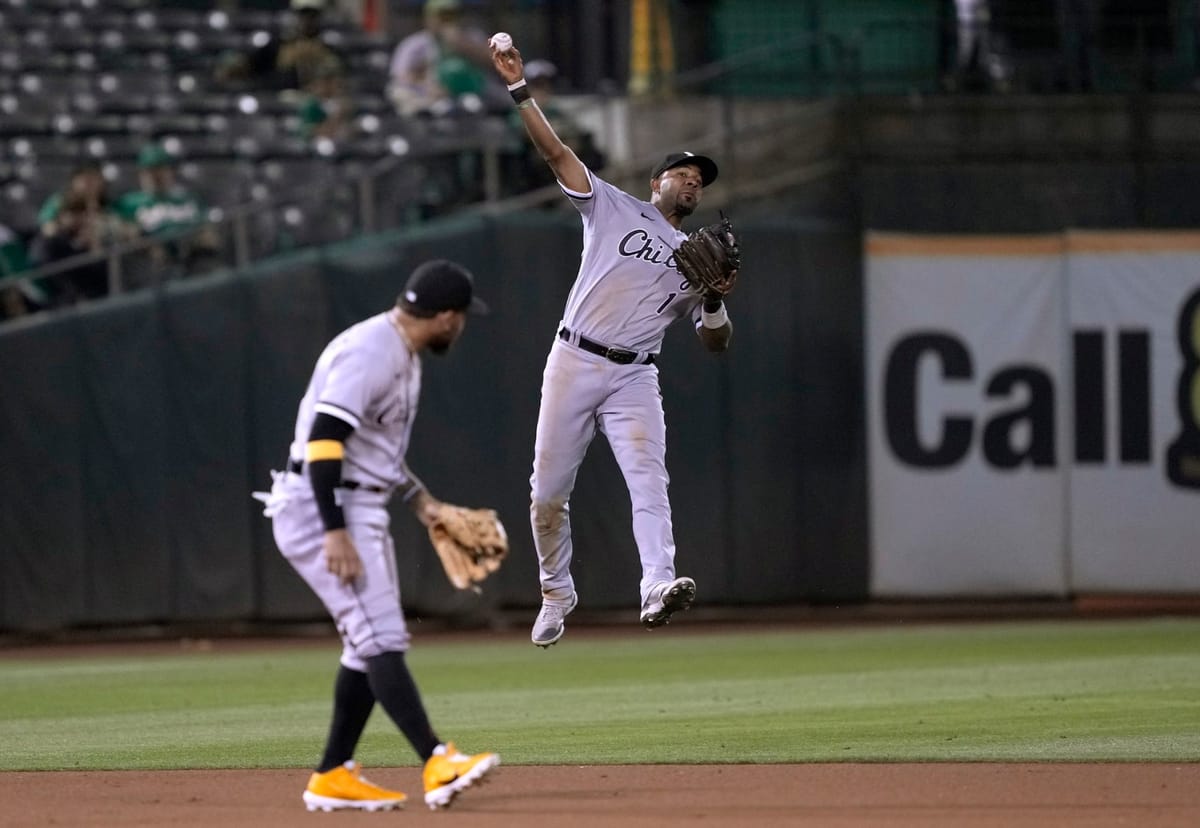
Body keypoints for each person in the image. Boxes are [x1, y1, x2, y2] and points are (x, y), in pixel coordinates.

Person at [491, 39, 734, 648]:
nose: (692, 183)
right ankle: (555, 590)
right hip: (575, 356)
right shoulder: (611, 206)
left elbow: (716, 344)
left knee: (649, 482)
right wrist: (520, 90)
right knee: (547, 494)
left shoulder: (700, 259)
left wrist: (710, 298)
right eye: (682, 173)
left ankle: (657, 585)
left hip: (635, 375)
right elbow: (553, 151)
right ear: (656, 183)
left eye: (699, 179)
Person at [253, 259, 499, 811]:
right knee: (381, 639)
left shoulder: (401, 352)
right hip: (326, 510)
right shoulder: (372, 352)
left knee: (365, 646)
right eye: (460, 317)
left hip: (359, 505)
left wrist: (421, 500)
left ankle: (332, 776)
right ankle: (438, 761)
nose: (461, 326)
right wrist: (333, 530)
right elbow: (323, 441)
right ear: (442, 317)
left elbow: (373, 449)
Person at [30, 161, 137, 304]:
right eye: (85, 179)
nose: (90, 184)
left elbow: (130, 229)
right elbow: (48, 230)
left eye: (94, 179)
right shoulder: (60, 203)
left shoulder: (113, 207)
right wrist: (70, 224)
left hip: (107, 259)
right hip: (72, 257)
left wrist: (101, 227)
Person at [115, 143, 220, 276]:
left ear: (170, 171)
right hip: (153, 262)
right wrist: (144, 241)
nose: (156, 176)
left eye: (160, 169)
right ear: (141, 173)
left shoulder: (188, 198)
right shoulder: (129, 203)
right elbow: (121, 229)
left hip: (193, 256)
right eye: (150, 170)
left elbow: (208, 232)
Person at [387, 0, 506, 116]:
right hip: (430, 95)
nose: (446, 20)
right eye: (441, 15)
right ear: (428, 18)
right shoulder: (415, 44)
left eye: (451, 14)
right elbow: (399, 76)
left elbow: (498, 64)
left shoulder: (472, 37)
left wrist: (462, 44)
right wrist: (426, 84)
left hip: (476, 92)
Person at [215, 0, 344, 91]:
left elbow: (338, 78)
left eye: (312, 15)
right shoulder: (279, 43)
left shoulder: (328, 47)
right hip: (277, 98)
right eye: (303, 15)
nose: (307, 20)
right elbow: (251, 64)